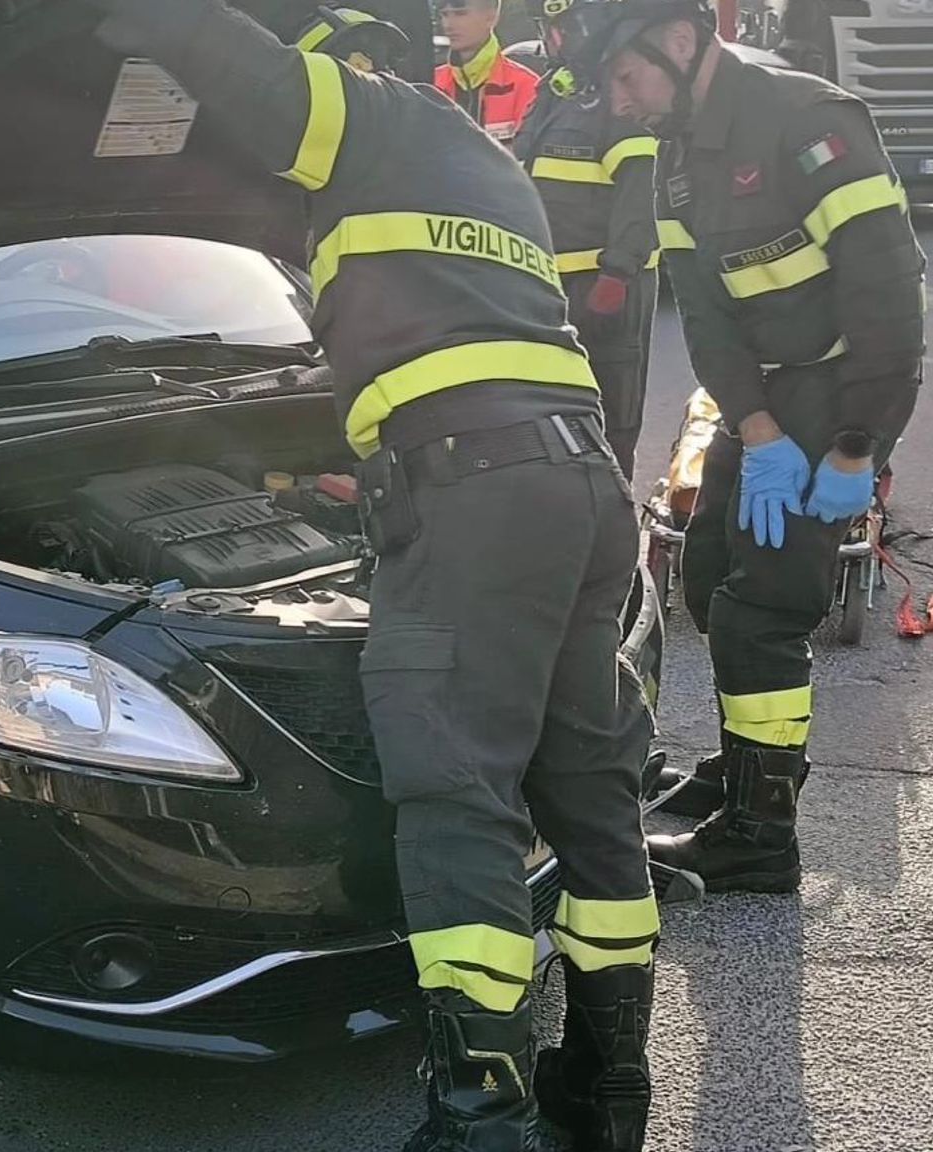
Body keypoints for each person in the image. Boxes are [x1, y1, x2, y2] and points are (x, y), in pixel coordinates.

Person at [82, 3, 658, 1148]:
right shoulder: (476, 165)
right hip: (571, 487)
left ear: (350, 60)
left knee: (454, 795)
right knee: (588, 793)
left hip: (480, 496)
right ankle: (601, 1091)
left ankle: (475, 1118)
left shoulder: (371, 114)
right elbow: (439, 331)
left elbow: (238, 66)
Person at [555, 0, 925, 893]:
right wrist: (754, 430)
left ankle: (762, 835)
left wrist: (855, 448)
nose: (619, 103)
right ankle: (749, 762)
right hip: (763, 397)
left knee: (765, 612)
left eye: (627, 77)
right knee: (713, 570)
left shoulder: (811, 124)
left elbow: (888, 300)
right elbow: (710, 317)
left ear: (682, 43)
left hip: (838, 390)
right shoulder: (674, 156)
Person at [512, 45, 660, 475]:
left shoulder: (621, 91)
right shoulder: (555, 91)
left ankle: (611, 519)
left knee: (610, 418)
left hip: (604, 287)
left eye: (565, 26)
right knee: (549, 416)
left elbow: (642, 194)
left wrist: (618, 272)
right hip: (545, 286)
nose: (555, 37)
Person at [435, 0, 543, 141]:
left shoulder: (527, 86)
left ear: (491, 17)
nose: (448, 24)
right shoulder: (432, 84)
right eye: (444, 14)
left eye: (460, 13)